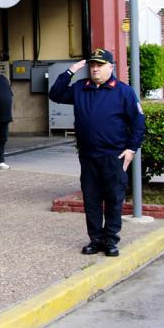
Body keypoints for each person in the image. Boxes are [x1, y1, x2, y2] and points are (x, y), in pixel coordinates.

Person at [48, 49, 145, 257]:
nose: (94, 69)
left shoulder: (123, 92)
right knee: (91, 200)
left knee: (113, 199)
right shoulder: (81, 88)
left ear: (111, 67)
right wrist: (71, 71)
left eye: (99, 65)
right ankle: (95, 239)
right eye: (92, 65)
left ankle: (111, 241)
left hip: (114, 156)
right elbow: (55, 94)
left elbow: (138, 123)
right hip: (88, 156)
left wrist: (131, 149)